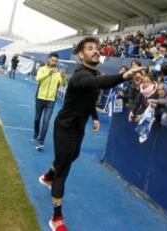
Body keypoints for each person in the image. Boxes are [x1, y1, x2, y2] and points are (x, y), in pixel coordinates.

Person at [38, 37, 141, 231]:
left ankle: (48, 176)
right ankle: (57, 217)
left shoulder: (94, 74)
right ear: (81, 54)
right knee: (64, 168)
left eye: (97, 48)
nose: (96, 51)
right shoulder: (79, 75)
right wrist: (123, 77)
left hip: (79, 126)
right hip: (65, 127)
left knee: (71, 156)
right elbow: (100, 83)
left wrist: (94, 117)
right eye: (90, 48)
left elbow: (90, 97)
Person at [33, 53, 66, 151]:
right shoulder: (42, 69)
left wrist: (63, 77)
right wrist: (48, 73)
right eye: (53, 60)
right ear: (48, 60)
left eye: (56, 61)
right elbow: (38, 79)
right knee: (37, 119)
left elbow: (63, 85)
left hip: (51, 101)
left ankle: (41, 141)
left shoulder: (58, 72)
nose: (54, 62)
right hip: (40, 98)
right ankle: (36, 132)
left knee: (46, 121)